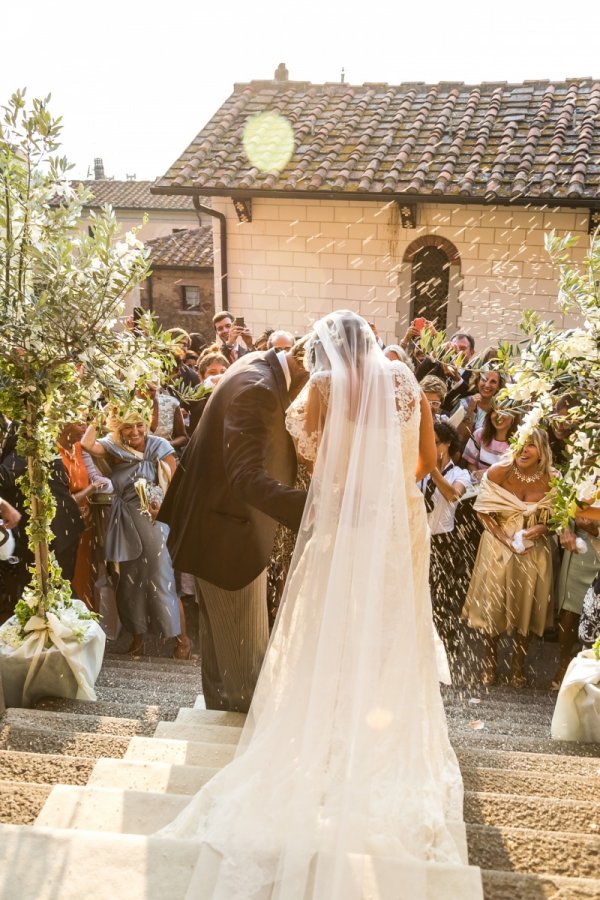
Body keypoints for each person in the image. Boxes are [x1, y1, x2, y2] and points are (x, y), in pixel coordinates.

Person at [159, 311, 483, 900]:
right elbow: (419, 463)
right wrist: (380, 482)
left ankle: (327, 731)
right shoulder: (406, 382)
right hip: (394, 522)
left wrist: (337, 486)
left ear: (323, 352)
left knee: (333, 625)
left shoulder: (324, 388)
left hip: (342, 521)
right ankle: (380, 730)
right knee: (389, 627)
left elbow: (310, 448)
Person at [159, 339, 310, 712]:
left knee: (220, 661)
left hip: (215, 530)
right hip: (229, 541)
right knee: (245, 672)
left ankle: (219, 740)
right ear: (311, 369)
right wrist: (316, 507)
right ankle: (238, 754)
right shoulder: (258, 388)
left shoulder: (261, 363)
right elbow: (246, 478)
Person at [81, 404, 191, 659]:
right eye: (128, 426)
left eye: (139, 424)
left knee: (162, 579)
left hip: (154, 520)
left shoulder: (160, 447)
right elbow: (87, 444)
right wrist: (102, 412)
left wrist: (160, 508)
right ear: (119, 427)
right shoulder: (113, 446)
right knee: (128, 583)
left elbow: (173, 487)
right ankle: (137, 637)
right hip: (124, 520)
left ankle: (182, 639)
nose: (135, 431)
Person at [461, 429, 556, 687]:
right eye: (520, 444)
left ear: (542, 450)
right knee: (494, 604)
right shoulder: (499, 471)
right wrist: (505, 540)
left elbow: (557, 517)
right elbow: (482, 511)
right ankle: (489, 661)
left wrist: (540, 529)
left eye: (531, 446)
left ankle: (518, 665)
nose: (524, 450)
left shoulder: (553, 478)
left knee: (527, 604)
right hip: (498, 545)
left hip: (534, 550)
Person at [420, 420, 472, 656]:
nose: (430, 447)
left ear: (447, 444)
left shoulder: (460, 473)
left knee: (441, 596)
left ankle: (440, 646)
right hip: (417, 538)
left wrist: (433, 469)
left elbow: (453, 495)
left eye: (435, 443)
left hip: (443, 542)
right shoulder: (416, 470)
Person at [462, 407, 517, 480]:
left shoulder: (519, 441)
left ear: (514, 415)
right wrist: (475, 474)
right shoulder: (479, 434)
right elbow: (471, 463)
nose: (498, 416)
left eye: (504, 411)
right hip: (479, 484)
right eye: (495, 411)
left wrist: (488, 475)